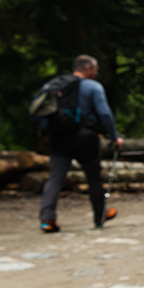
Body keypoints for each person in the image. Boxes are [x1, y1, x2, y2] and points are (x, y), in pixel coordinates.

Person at [36, 54, 123, 232]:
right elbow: (104, 113)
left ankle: (47, 219)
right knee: (93, 176)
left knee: (56, 177)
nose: (97, 72)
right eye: (96, 69)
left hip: (58, 136)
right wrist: (114, 137)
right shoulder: (93, 86)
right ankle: (99, 215)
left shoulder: (57, 85)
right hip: (84, 137)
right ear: (88, 68)